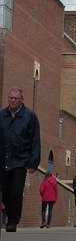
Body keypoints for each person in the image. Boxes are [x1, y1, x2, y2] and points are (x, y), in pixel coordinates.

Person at [0, 87, 41, 232]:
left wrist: (33, 161)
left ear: (21, 99)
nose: (12, 100)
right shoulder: (2, 115)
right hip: (4, 160)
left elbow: (35, 140)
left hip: (20, 160)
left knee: (16, 192)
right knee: (5, 191)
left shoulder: (29, 116)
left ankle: (12, 221)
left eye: (15, 98)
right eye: (10, 97)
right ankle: (9, 215)